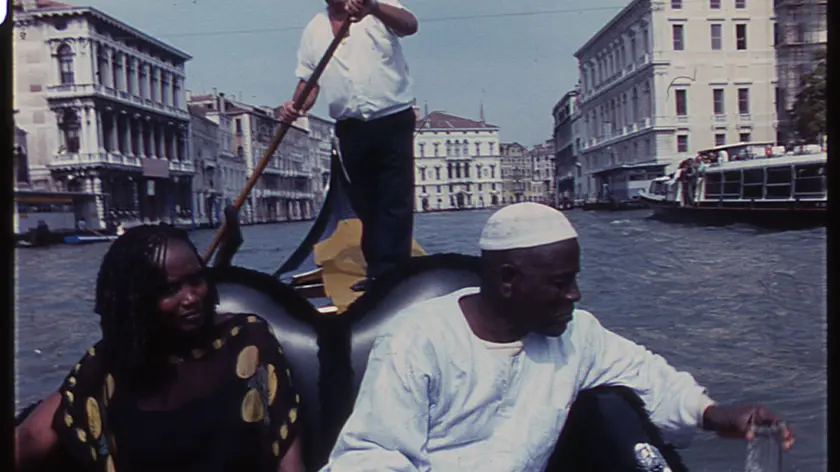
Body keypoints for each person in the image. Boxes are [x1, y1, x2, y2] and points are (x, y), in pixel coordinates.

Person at [320, 202, 795, 471]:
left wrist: (712, 414)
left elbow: (649, 378)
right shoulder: (416, 340)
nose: (575, 294)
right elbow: (374, 458)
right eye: (560, 282)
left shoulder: (577, 336)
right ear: (507, 279)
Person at [15, 225, 304, 472]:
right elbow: (30, 439)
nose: (191, 297)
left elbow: (289, 457)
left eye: (196, 280)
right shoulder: (107, 363)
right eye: (170, 289)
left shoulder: (248, 341)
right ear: (136, 300)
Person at [277, 0, 419, 292]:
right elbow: (310, 81)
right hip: (351, 126)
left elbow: (410, 25)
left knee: (394, 199)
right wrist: (295, 106)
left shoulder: (377, 7)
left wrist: (374, 7)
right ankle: (379, 270)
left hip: (393, 118)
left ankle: (392, 275)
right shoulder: (314, 29)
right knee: (365, 201)